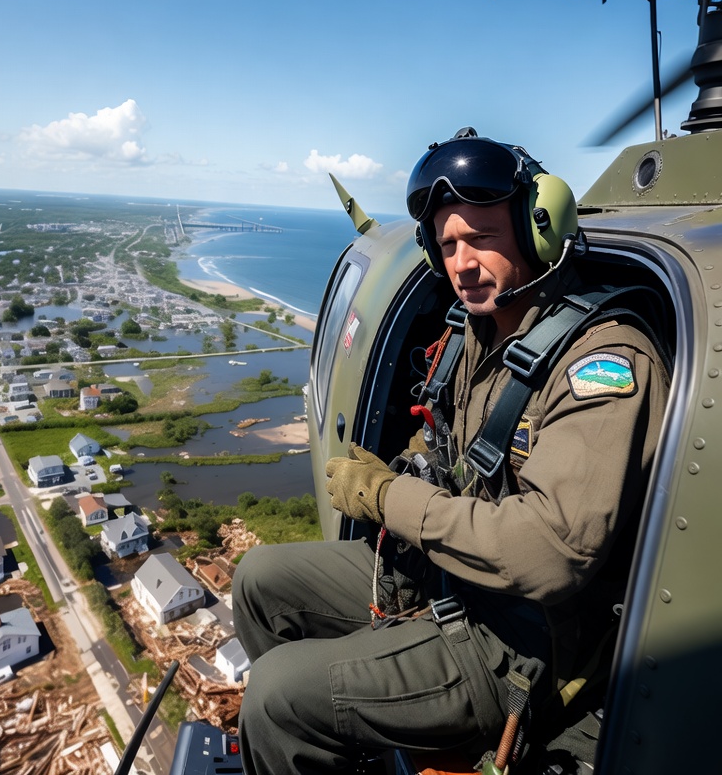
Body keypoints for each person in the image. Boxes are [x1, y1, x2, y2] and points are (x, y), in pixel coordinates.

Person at [233, 128, 670, 775]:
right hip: (455, 578)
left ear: (536, 231)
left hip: (525, 640)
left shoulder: (602, 364)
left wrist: (386, 496)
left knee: (274, 698)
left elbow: (548, 554)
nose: (463, 263)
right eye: (449, 245)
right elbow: (457, 449)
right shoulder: (477, 332)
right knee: (257, 582)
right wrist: (412, 464)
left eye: (483, 238)